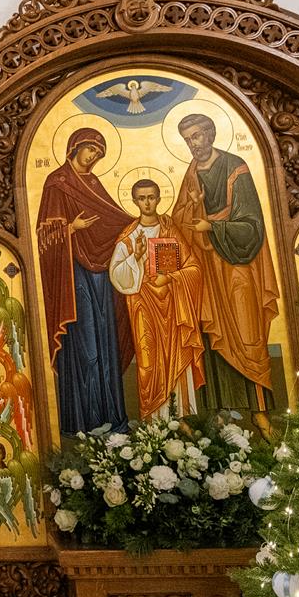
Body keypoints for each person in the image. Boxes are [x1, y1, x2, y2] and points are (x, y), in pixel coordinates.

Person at [168, 113, 283, 419]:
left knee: (247, 329)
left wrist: (212, 227)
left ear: (210, 134)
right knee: (211, 334)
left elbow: (252, 225)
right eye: (187, 139)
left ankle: (260, 412)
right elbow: (180, 219)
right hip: (206, 267)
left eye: (196, 136)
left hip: (237, 264)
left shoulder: (236, 167)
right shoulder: (191, 173)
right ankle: (219, 415)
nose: (193, 144)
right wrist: (193, 209)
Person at [35, 124, 131, 436]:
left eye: (98, 153)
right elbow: (43, 237)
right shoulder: (57, 183)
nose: (92, 157)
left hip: (100, 273)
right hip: (72, 274)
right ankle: (85, 420)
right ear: (75, 147)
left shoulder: (93, 183)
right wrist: (71, 229)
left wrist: (138, 227)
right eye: (90, 149)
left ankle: (113, 417)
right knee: (86, 344)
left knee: (105, 343)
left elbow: (112, 219)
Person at [108, 178, 207, 420]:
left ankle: (181, 418)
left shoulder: (170, 230)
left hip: (173, 308)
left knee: (176, 357)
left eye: (151, 197)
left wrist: (171, 278)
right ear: (134, 201)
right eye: (142, 198)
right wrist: (136, 257)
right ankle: (153, 419)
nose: (147, 203)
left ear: (159, 199)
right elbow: (116, 275)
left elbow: (193, 268)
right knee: (148, 361)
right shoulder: (129, 236)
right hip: (143, 307)